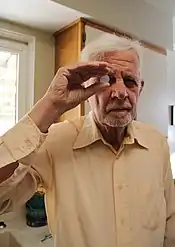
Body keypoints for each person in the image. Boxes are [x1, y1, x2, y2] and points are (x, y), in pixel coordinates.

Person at [0, 33, 174, 247]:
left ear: (141, 87)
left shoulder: (157, 144)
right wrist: (51, 105)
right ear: (86, 88)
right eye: (107, 80)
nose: (120, 92)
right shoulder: (55, 142)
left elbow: (169, 221)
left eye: (130, 81)